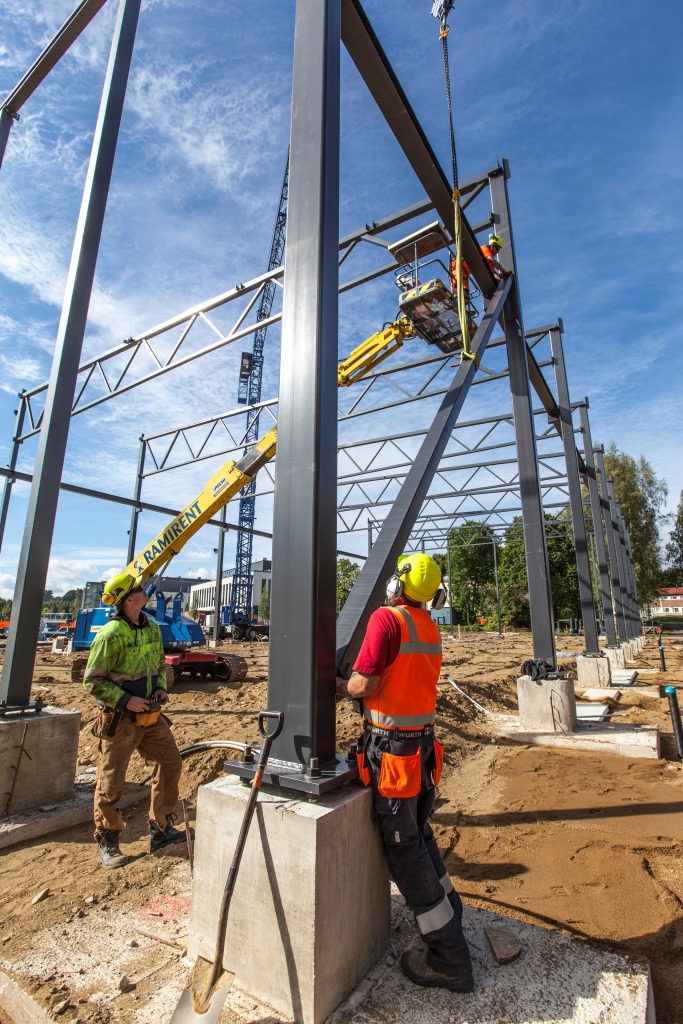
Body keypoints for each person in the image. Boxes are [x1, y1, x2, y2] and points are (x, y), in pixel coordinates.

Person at [336, 553, 473, 993]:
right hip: (423, 746)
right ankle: (451, 910)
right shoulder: (428, 624)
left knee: (403, 849)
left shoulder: (386, 619)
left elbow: (366, 683)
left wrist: (342, 685)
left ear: (398, 582)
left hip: (392, 751)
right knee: (419, 832)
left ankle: (449, 958)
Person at [84, 572, 184, 869]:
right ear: (129, 599)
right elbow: (93, 682)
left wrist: (162, 690)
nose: (144, 590)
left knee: (169, 764)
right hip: (121, 718)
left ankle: (161, 828)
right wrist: (128, 700)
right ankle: (108, 837)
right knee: (112, 779)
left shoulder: (151, 627)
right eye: (139, 589)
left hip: (152, 716)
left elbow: (159, 665)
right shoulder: (111, 634)